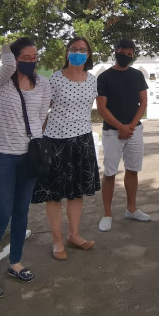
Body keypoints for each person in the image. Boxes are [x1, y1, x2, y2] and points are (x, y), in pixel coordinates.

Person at [0, 37, 52, 299]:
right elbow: (7, 63)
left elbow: (41, 117)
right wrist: (7, 45)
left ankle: (15, 262)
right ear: (14, 58)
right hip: (2, 158)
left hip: (28, 158)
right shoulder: (2, 81)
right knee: (1, 217)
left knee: (21, 213)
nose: (31, 62)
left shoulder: (43, 84)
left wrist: (32, 145)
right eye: (25, 57)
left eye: (34, 57)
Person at [32, 36, 100, 260]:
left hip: (82, 141)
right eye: (74, 49)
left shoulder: (92, 80)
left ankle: (74, 235)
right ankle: (57, 240)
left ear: (88, 55)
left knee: (76, 193)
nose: (78, 52)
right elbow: (43, 111)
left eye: (82, 49)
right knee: (54, 195)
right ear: (67, 52)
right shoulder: (55, 80)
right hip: (56, 141)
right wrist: (36, 140)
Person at [97, 38, 150, 232]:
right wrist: (120, 127)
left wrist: (131, 126)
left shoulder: (137, 76)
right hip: (112, 133)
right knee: (110, 172)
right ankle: (107, 213)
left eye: (130, 53)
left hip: (134, 131)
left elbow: (143, 102)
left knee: (133, 170)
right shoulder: (104, 78)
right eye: (123, 52)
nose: (126, 56)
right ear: (116, 51)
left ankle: (132, 209)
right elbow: (102, 108)